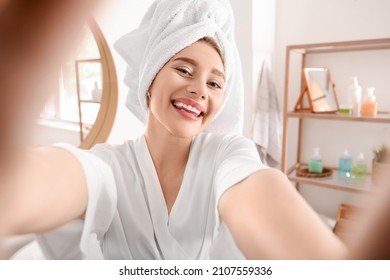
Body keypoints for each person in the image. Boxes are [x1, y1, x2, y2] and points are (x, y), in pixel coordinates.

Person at [0, 0, 388, 260]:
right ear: (149, 79)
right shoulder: (108, 168)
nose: (200, 89)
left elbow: (258, 196)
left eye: (216, 83)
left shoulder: (227, 155)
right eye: (184, 70)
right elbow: (47, 181)